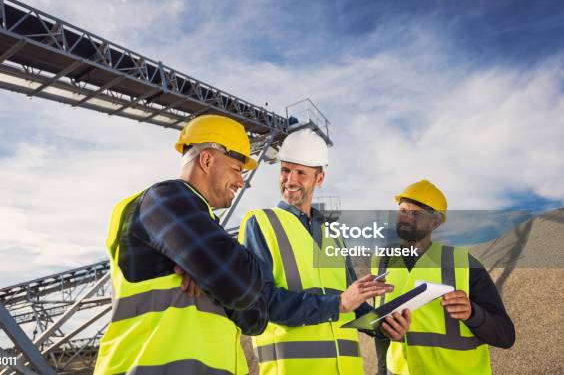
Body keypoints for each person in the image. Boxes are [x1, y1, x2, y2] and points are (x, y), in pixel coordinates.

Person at [93, 114, 268, 375]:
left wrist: (210, 275)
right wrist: (220, 279)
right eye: (236, 170)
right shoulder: (162, 200)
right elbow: (242, 286)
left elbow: (257, 318)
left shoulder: (206, 222)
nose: (242, 182)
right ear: (207, 160)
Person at [239, 129, 411, 375]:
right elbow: (261, 301)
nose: (290, 180)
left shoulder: (334, 236)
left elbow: (353, 303)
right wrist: (338, 304)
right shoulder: (260, 223)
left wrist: (382, 325)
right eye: (285, 170)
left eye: (301, 173)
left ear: (319, 179)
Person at [372, 179, 515, 375]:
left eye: (416, 214)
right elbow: (381, 329)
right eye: (402, 211)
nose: (406, 218)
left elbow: (505, 336)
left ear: (436, 221)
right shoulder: (382, 261)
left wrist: (473, 313)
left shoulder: (464, 263)